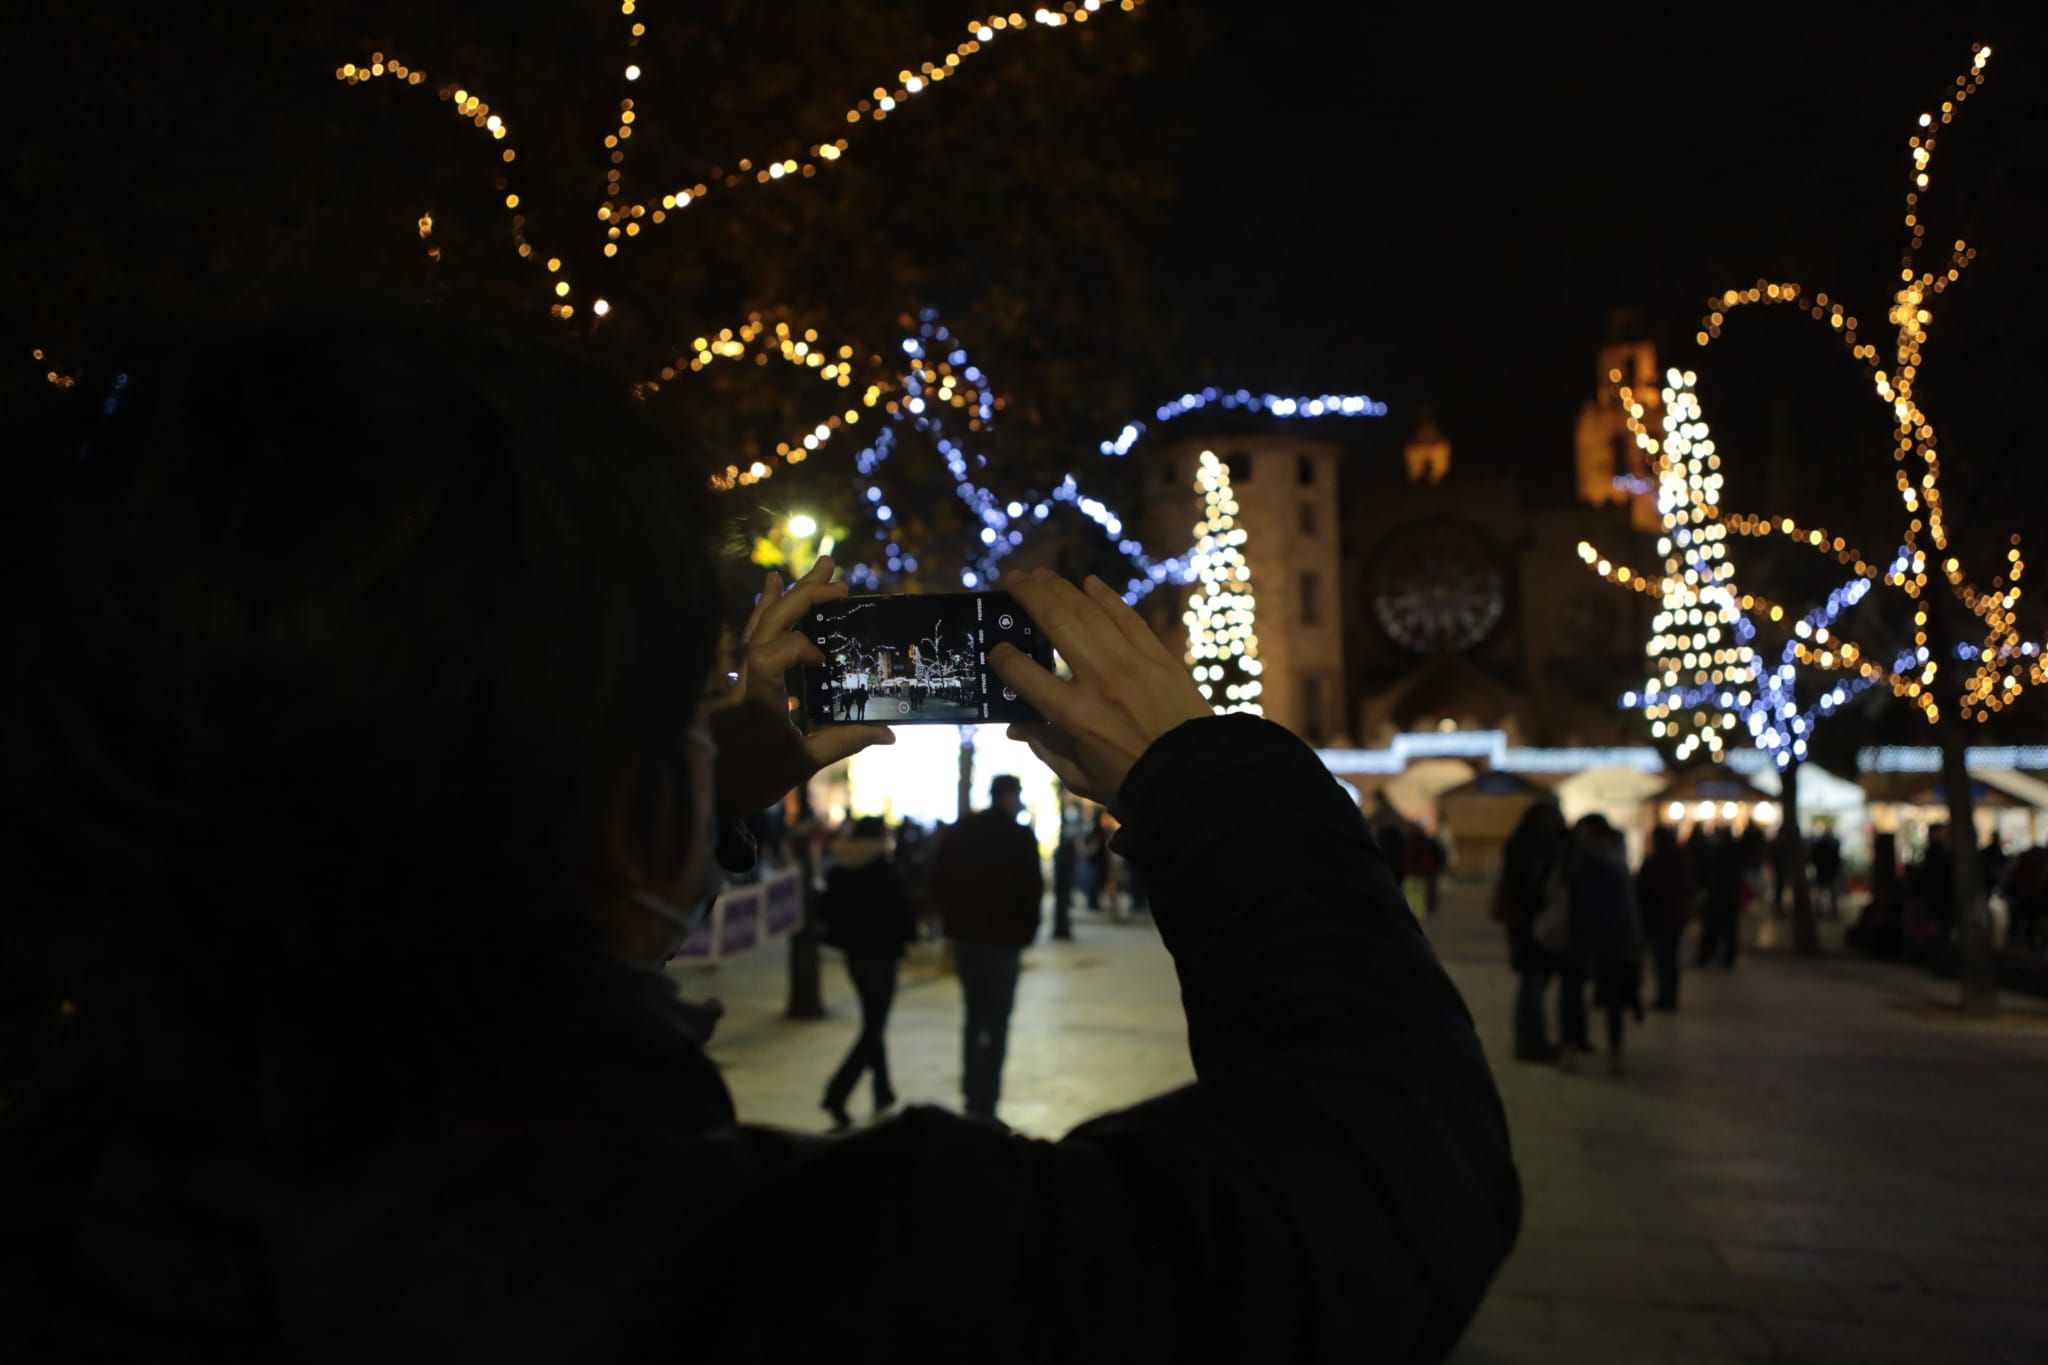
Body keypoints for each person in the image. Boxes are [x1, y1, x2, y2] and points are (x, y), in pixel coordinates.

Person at [0, 299, 1518, 1360]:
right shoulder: (794, 1279)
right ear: (619, 812)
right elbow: (1385, 1177)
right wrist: (1207, 774)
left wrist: (691, 768)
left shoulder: (74, 1189)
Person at [930, 774, 1043, 1123]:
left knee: (974, 1017)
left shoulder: (963, 830)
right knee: (997, 1022)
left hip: (968, 938)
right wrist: (1026, 932)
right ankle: (987, 1100)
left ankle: (970, 1094)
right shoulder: (1019, 836)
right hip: (1003, 941)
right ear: (1009, 796)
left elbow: (938, 879)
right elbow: (1032, 889)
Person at [817, 817, 919, 1129]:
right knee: (873, 1027)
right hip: (881, 955)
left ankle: (883, 1089)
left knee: (873, 1021)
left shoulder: (840, 868)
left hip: (854, 956)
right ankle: (838, 1093)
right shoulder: (884, 870)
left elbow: (826, 910)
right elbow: (902, 911)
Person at [1563, 816, 1643, 1076]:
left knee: (1574, 993)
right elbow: (1628, 901)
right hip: (1613, 931)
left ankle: (1571, 1049)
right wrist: (1634, 937)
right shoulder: (1616, 856)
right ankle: (1615, 1053)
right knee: (1612, 996)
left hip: (1581, 930)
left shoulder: (1574, 856)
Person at [1495, 801, 1569, 1062]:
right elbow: (1528, 886)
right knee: (1533, 984)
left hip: (1528, 924)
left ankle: (1531, 1040)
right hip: (1531, 925)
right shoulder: (1531, 847)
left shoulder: (1523, 843)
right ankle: (1530, 1042)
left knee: (1532, 984)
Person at [1635, 825, 1694, 1011]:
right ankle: (1668, 995)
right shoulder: (1679, 860)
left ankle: (1666, 996)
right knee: (1668, 958)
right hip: (1674, 915)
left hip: (1659, 917)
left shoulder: (1655, 862)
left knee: (1663, 958)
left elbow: (1643, 890)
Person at [1697, 826, 1745, 968]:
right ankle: (1724, 956)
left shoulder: (1721, 852)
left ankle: (1713, 955)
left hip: (1721, 895)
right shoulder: (1732, 852)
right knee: (1728, 929)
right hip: (1726, 896)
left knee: (1718, 928)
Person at [1049, 799, 1079, 941]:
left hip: (1064, 865)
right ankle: (1061, 929)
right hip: (1063, 865)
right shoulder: (1065, 822)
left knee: (1063, 898)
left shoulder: (1068, 821)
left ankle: (1061, 928)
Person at [1810, 824, 1844, 920]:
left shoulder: (1820, 845)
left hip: (1823, 871)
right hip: (1829, 872)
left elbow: (1813, 857)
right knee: (1831, 893)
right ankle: (1832, 912)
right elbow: (1836, 860)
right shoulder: (1833, 845)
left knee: (1821, 893)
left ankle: (1821, 912)